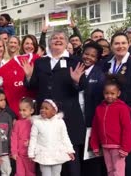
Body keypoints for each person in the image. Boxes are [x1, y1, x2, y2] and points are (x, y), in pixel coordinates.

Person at [23, 31, 86, 176]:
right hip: (45, 118)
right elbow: (33, 86)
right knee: (45, 156)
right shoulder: (40, 62)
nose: (58, 40)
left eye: (61, 38)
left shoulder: (75, 61)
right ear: (49, 42)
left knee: (71, 158)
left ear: (66, 43)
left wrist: (76, 81)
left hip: (68, 116)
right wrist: (28, 76)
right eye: (54, 38)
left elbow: (83, 86)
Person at [102, 32, 131, 176]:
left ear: (128, 44)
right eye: (117, 43)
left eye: (123, 43)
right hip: (110, 117)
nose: (120, 46)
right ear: (111, 46)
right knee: (112, 153)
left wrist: (118, 100)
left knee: (127, 152)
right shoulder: (106, 64)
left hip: (130, 114)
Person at [90, 75, 131, 176]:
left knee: (118, 172)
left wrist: (125, 148)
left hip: (118, 147)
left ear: (118, 93)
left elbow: (127, 129)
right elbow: (95, 128)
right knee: (110, 170)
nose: (109, 96)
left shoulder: (122, 108)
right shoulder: (99, 108)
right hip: (105, 146)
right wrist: (95, 145)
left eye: (112, 93)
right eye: (107, 93)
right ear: (103, 93)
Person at [78, 42, 106, 176]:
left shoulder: (100, 76)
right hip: (76, 122)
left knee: (92, 159)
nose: (88, 57)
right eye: (86, 54)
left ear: (97, 59)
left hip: (92, 124)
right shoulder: (75, 69)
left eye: (93, 56)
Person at [28, 99, 75, 176]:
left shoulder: (60, 122)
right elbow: (33, 139)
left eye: (46, 108)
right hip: (43, 154)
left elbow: (65, 137)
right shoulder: (37, 122)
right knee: (46, 174)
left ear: (54, 111)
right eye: (41, 108)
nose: (43, 110)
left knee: (56, 174)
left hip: (57, 153)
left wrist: (70, 150)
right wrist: (31, 153)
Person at [11, 97, 36, 176]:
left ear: (31, 111)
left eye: (24, 110)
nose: (21, 112)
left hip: (31, 155)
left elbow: (38, 137)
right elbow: (14, 138)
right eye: (20, 110)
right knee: (19, 173)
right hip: (19, 155)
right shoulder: (18, 123)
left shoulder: (35, 122)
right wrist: (14, 152)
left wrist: (31, 142)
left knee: (30, 173)